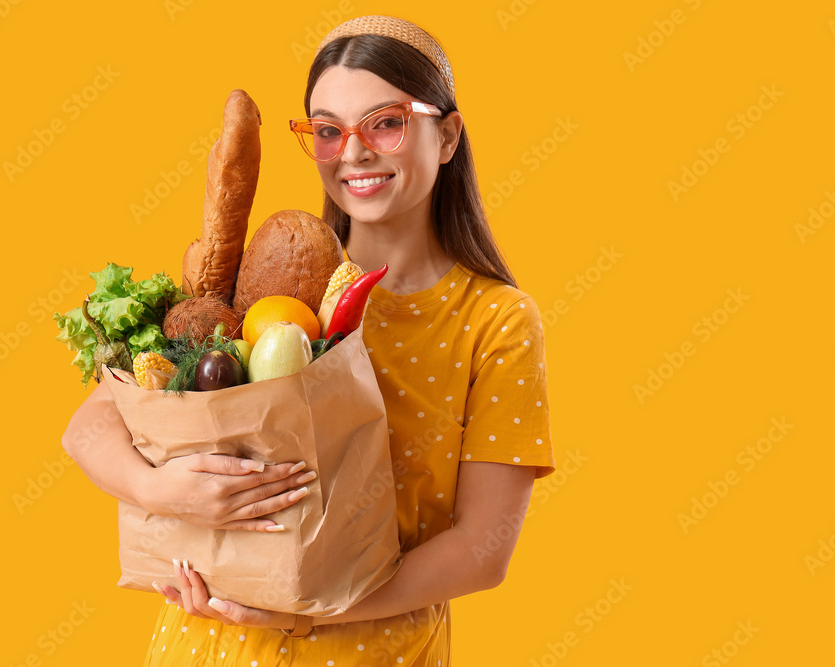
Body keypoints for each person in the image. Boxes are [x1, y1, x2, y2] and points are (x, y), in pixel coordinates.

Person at [62, 14, 555, 666]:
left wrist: (305, 599)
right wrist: (161, 491)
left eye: (386, 122)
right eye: (328, 131)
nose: (353, 151)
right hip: (208, 648)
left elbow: (483, 547)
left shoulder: (495, 320)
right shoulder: (264, 285)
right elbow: (89, 428)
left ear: (447, 136)